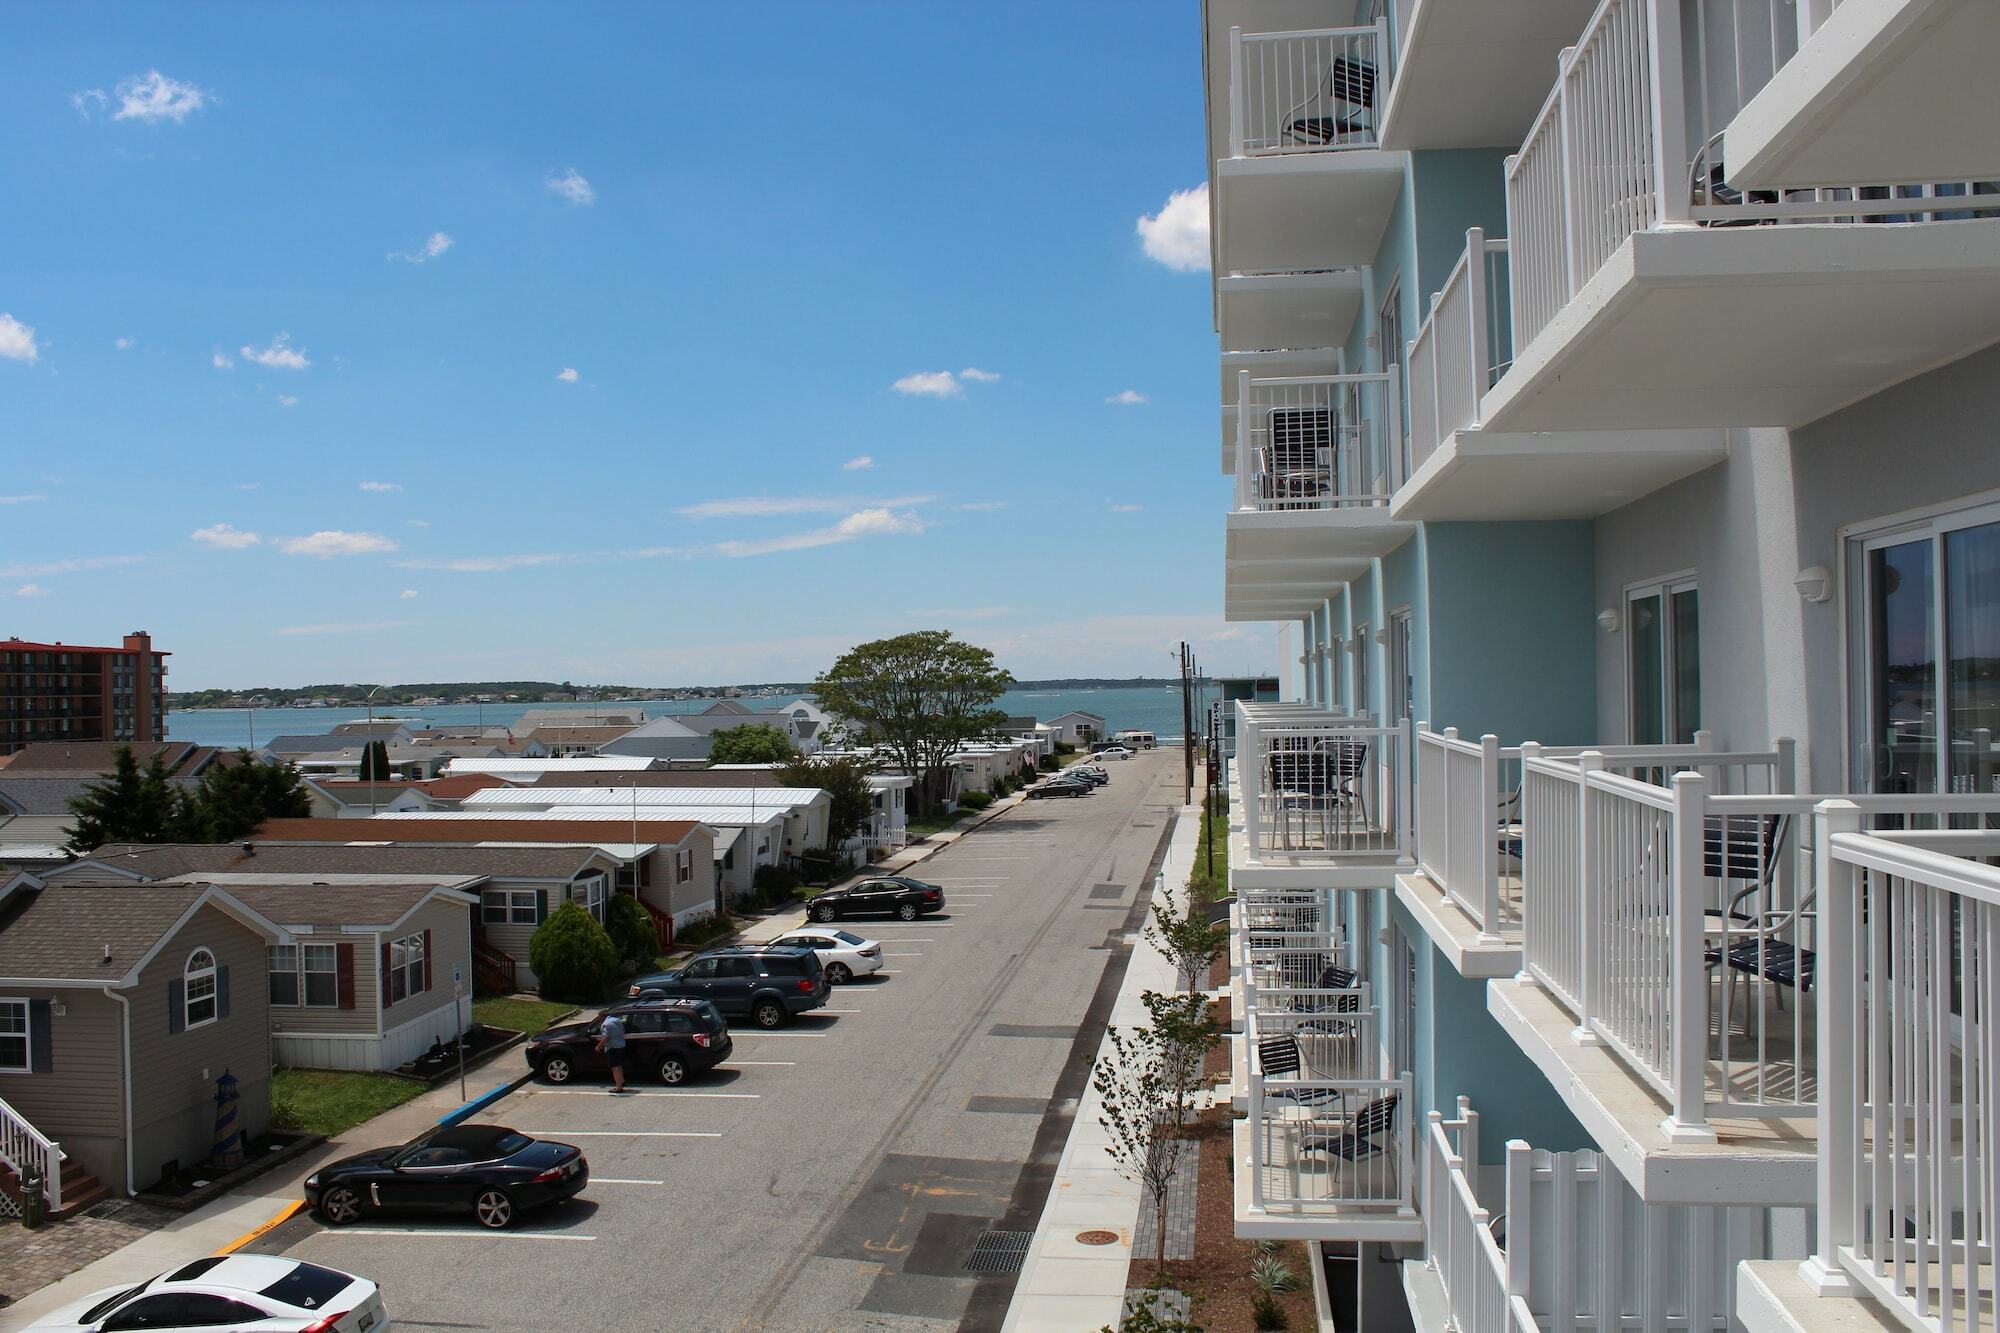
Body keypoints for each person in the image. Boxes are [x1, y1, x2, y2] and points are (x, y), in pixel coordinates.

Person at [596, 1009, 629, 1093]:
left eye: (599, 1018)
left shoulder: (605, 1024)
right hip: (621, 1045)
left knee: (615, 1068)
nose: (599, 1020)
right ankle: (621, 1081)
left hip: (612, 1048)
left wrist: (599, 1046)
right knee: (619, 1066)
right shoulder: (617, 1020)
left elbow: (605, 1037)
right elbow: (623, 1031)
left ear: (602, 1017)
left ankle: (618, 1087)